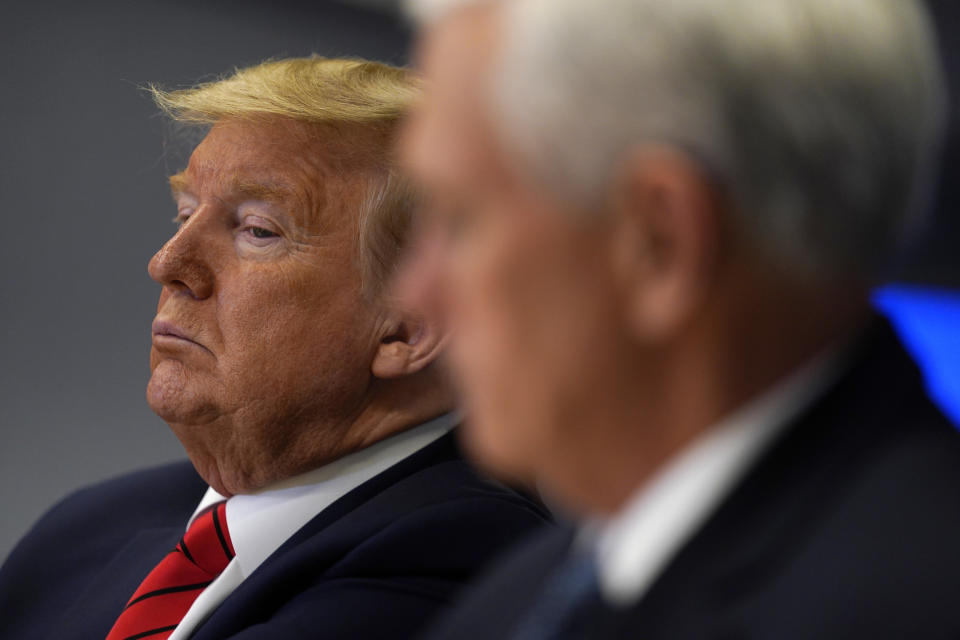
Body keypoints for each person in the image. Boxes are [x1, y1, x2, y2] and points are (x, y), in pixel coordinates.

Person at [398, 0, 960, 637]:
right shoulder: (520, 600)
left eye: (459, 219)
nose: (418, 292)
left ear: (659, 244)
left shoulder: (916, 606)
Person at [0, 57, 549, 640]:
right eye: (185, 213)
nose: (168, 263)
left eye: (258, 229)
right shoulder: (89, 527)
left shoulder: (464, 563)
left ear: (407, 328)